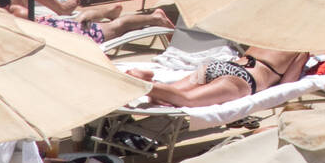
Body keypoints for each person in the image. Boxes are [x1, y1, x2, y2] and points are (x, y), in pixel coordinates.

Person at [125, 48, 312, 108]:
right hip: (242, 79)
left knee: (167, 97)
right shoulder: (300, 48)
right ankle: (141, 83)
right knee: (186, 100)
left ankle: (148, 79)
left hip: (218, 66)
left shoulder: (265, 35)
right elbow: (288, 85)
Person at [0, 0, 172, 44]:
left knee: (117, 26)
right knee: (83, 19)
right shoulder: (12, 13)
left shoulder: (11, 16)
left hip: (68, 36)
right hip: (59, 28)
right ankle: (105, 12)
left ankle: (155, 17)